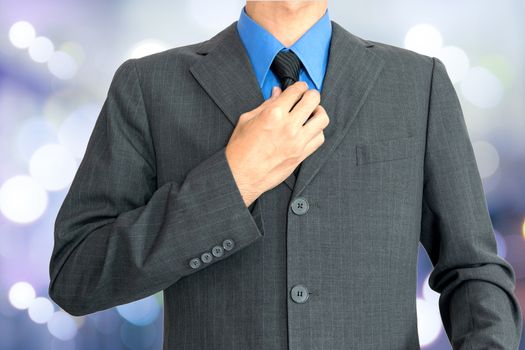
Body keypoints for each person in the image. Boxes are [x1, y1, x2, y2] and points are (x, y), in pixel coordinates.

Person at [48, 1, 523, 349]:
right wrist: (234, 180)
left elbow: (474, 270)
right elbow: (77, 276)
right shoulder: (148, 86)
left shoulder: (419, 84)